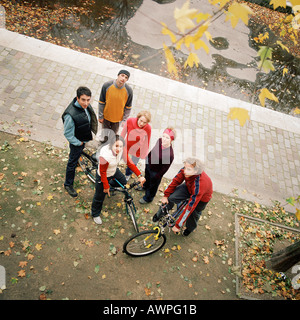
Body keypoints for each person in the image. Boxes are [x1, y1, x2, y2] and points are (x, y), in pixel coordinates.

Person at [91, 135, 146, 225]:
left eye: (120, 146)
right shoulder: (105, 156)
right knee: (99, 196)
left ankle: (111, 187)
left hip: (113, 170)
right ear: (111, 144)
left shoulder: (121, 149)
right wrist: (106, 186)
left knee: (123, 182)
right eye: (116, 146)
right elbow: (103, 172)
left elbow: (129, 162)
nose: (119, 148)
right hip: (103, 175)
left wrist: (139, 175)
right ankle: (95, 214)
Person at [152, 157, 213, 236]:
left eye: (188, 169)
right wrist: (165, 195)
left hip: (202, 197)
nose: (184, 171)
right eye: (185, 167)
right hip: (189, 187)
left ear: (196, 171)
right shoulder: (186, 170)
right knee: (170, 198)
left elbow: (190, 206)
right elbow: (175, 181)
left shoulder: (200, 184)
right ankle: (159, 215)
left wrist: (178, 225)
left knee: (194, 213)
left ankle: (190, 228)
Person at [62, 86, 98, 197]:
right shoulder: (70, 115)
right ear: (77, 98)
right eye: (83, 100)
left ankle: (78, 159)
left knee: (77, 155)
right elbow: (68, 134)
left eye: (88, 100)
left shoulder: (85, 106)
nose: (86, 103)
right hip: (77, 141)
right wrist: (79, 143)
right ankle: (68, 184)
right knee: (72, 162)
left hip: (82, 137)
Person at [139, 127, 175, 204]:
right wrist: (147, 158)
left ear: (171, 140)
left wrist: (157, 176)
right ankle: (145, 186)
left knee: (153, 186)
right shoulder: (159, 141)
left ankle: (148, 198)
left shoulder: (169, 154)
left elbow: (165, 168)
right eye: (163, 136)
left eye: (167, 138)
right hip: (149, 164)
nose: (164, 139)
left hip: (156, 172)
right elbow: (153, 149)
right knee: (147, 178)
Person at [98, 69, 133, 143]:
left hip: (118, 119)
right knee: (104, 133)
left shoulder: (129, 91)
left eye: (126, 77)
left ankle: (110, 146)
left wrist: (124, 120)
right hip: (106, 116)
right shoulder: (107, 85)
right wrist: (100, 116)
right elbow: (101, 102)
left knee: (113, 135)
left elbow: (128, 108)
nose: (123, 78)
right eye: (122, 75)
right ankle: (103, 144)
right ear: (118, 75)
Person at [121, 111, 152, 181]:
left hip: (137, 150)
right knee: (117, 157)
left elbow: (147, 141)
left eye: (145, 122)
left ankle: (127, 175)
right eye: (141, 121)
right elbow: (123, 133)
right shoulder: (130, 121)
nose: (142, 124)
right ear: (138, 118)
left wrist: (143, 154)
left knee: (132, 165)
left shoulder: (148, 128)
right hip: (126, 146)